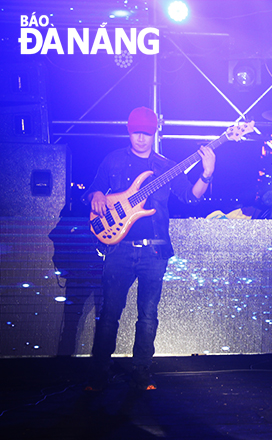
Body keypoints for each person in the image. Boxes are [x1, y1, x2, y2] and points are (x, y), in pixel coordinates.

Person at [83, 106, 215, 391]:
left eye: (146, 133)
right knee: (109, 314)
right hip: (118, 248)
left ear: (154, 133)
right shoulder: (114, 160)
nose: (140, 138)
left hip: (154, 251)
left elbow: (191, 198)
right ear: (129, 131)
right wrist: (95, 195)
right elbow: (93, 188)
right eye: (135, 133)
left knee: (148, 315)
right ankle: (98, 375)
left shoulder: (167, 167)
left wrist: (206, 174)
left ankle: (141, 372)